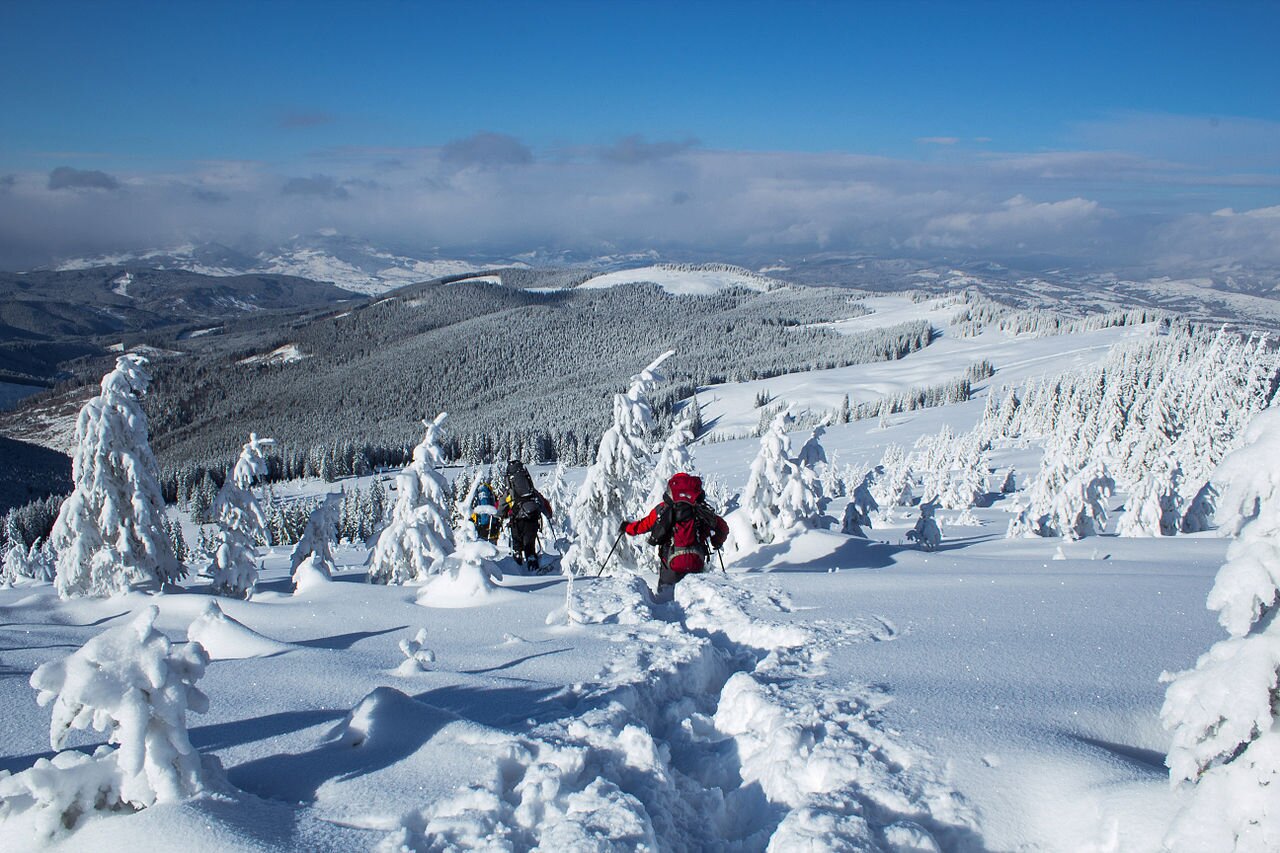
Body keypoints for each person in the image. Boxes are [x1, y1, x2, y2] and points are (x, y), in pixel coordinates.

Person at [619, 472, 728, 595]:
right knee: (696, 594)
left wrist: (627, 528)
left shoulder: (663, 509)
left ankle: (665, 609)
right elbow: (722, 527)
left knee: (666, 596)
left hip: (670, 560)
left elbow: (644, 525)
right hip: (696, 558)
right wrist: (716, 541)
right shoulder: (701, 509)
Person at [501, 460, 553, 572]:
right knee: (530, 546)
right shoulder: (530, 490)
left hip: (516, 520)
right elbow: (543, 502)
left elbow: (501, 507)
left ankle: (518, 571)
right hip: (532, 519)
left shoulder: (511, 491)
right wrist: (548, 515)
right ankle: (533, 569)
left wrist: (500, 515)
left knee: (517, 546)